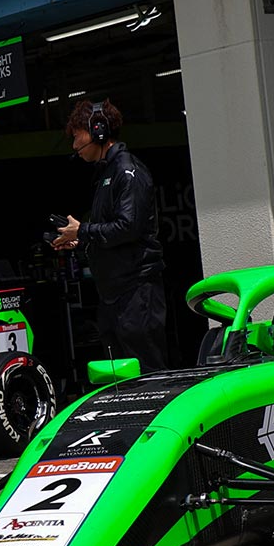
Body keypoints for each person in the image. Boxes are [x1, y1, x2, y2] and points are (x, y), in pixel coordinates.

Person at [51, 98, 167, 372]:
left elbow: (128, 227)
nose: (74, 146)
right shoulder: (107, 173)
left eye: (77, 136)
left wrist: (83, 230)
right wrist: (80, 240)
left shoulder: (127, 171)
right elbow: (112, 232)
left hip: (136, 292)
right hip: (114, 294)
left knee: (146, 374)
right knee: (118, 375)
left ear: (98, 130)